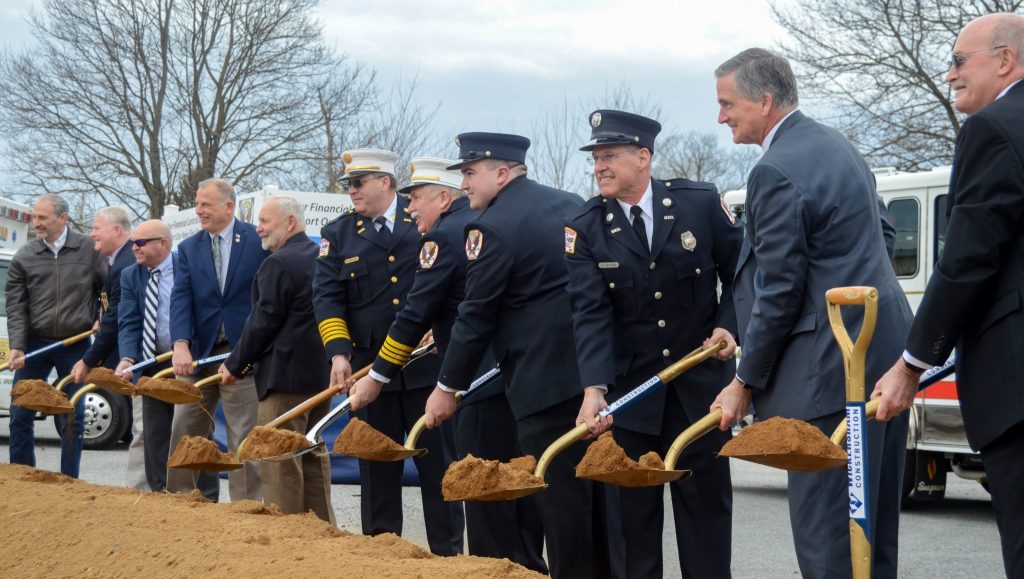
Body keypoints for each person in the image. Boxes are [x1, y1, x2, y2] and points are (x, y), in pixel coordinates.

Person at [709, 48, 913, 579]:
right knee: (871, 530)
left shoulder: (775, 169)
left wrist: (744, 380)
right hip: (882, 356)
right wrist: (855, 285)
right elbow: (884, 232)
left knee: (829, 538)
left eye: (728, 103)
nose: (722, 116)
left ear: (765, 100)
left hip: (829, 373)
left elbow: (778, 290)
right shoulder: (837, 146)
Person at [871, 13, 1024, 578]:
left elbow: (967, 260)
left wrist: (912, 364)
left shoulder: (994, 128)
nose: (951, 73)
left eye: (960, 61)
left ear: (1004, 60)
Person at [427, 132, 613, 579]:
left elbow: (475, 316)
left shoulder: (492, 226)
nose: (465, 184)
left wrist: (446, 387)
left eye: (470, 173)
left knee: (561, 505)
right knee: (599, 505)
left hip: (542, 385)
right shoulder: (571, 202)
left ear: (502, 173)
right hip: (596, 374)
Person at [566, 110, 742, 578]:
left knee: (705, 522)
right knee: (632, 527)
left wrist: (730, 327)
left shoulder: (698, 204)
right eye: (596, 158)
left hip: (699, 395)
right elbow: (590, 314)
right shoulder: (586, 227)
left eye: (610, 156)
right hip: (631, 400)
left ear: (643, 157)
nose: (599, 166)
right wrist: (594, 389)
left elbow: (744, 273)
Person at [348, 158, 545, 572]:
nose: (411, 208)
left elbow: (414, 314)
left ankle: (492, 568)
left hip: (476, 382)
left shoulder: (443, 237)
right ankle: (527, 566)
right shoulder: (486, 224)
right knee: (521, 482)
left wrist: (376, 378)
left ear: (443, 197)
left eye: (417, 199)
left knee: (484, 489)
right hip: (520, 377)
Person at [313, 149, 462, 556]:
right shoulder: (337, 234)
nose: (351, 192)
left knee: (439, 469)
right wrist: (339, 354)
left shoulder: (426, 225)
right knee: (378, 471)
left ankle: (447, 555)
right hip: (368, 374)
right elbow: (327, 300)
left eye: (358, 183)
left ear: (384, 183)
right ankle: (382, 556)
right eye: (348, 185)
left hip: (426, 370)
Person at [218, 197, 335, 524]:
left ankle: (288, 536)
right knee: (311, 455)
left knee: (278, 457)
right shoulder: (321, 259)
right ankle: (324, 535)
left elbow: (263, 321)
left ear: (291, 223)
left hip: (285, 380)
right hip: (320, 378)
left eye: (265, 222)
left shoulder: (279, 263)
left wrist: (234, 363)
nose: (258, 229)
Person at [168, 178, 269, 502]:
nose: (198, 211)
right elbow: (181, 298)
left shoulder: (257, 241)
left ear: (229, 206)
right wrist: (180, 344)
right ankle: (181, 499)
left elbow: (266, 300)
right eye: (197, 204)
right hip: (199, 356)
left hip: (243, 355)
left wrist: (251, 350)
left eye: (205, 205)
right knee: (184, 428)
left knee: (244, 434)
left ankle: (246, 508)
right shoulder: (188, 248)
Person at [6, 193, 105, 478]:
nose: (36, 223)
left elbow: (106, 290)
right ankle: (22, 478)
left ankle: (68, 480)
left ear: (62, 218)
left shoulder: (89, 250)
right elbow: (16, 305)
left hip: (75, 345)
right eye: (34, 217)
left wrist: (101, 318)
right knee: (20, 413)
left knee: (73, 415)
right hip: (34, 344)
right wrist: (18, 346)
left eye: (42, 218)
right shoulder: (25, 256)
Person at [69, 207, 140, 489]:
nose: (92, 233)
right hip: (119, 351)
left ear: (117, 231)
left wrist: (88, 360)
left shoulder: (124, 265)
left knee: (144, 430)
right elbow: (109, 311)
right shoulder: (115, 263)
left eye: (97, 227)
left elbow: (118, 318)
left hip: (129, 356)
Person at [114, 220, 177, 492]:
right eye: (132, 243)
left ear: (162, 243)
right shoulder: (130, 275)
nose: (134, 248)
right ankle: (157, 493)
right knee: (152, 435)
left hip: (184, 362)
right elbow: (129, 321)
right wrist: (128, 357)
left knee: (187, 433)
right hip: (150, 364)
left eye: (140, 243)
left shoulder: (186, 268)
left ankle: (196, 497)